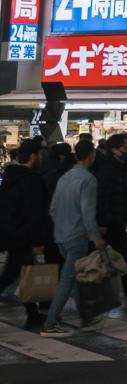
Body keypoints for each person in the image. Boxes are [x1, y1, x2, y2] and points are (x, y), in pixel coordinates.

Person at [38, 137, 103, 337]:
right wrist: (96, 237)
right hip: (77, 236)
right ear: (92, 156)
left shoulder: (64, 177)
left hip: (60, 236)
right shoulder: (88, 180)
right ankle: (50, 322)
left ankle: (87, 315)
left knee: (73, 277)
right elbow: (88, 213)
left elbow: (52, 209)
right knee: (67, 279)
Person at [0, 139, 53, 329]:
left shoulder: (10, 176)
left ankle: (32, 315)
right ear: (32, 156)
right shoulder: (32, 180)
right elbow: (35, 213)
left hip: (11, 233)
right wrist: (39, 240)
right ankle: (33, 315)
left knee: (22, 273)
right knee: (11, 275)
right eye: (39, 155)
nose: (41, 158)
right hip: (24, 235)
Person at [91, 132, 127, 303]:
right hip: (111, 221)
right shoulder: (108, 169)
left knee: (108, 256)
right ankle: (126, 291)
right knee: (124, 255)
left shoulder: (120, 166)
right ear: (115, 149)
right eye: (125, 147)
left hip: (115, 219)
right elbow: (103, 196)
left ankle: (122, 290)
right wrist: (106, 220)